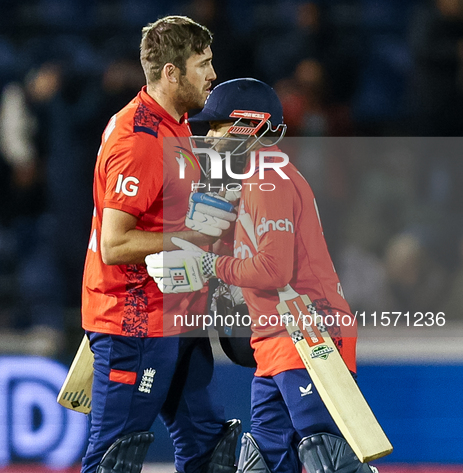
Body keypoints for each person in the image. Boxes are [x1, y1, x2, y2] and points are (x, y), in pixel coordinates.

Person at [146, 78, 378, 473]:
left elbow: (273, 268)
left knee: (327, 456)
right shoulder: (255, 179)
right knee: (265, 462)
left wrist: (207, 267)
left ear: (245, 126)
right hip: (276, 337)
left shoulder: (268, 180)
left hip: (308, 332)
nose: (211, 140)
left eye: (217, 128)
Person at [80, 16, 240, 473]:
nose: (213, 74)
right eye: (203, 64)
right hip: (135, 325)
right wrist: (189, 239)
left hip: (174, 314)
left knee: (211, 451)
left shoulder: (175, 122)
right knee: (115, 457)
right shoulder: (140, 141)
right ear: (172, 73)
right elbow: (115, 244)